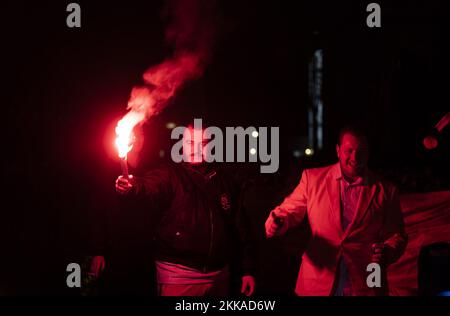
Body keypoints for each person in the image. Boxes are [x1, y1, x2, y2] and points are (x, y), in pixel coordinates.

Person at [109, 124, 256, 296]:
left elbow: (240, 227)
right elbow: (148, 185)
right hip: (178, 276)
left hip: (220, 275)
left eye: (204, 143)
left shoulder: (225, 181)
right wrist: (131, 186)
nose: (197, 148)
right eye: (191, 142)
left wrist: (248, 270)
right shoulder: (169, 174)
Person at [265, 126, 407, 296]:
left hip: (369, 282)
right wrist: (276, 222)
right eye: (349, 150)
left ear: (368, 153)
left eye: (361, 151)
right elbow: (288, 211)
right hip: (317, 282)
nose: (355, 157)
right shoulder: (312, 179)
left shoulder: (387, 190)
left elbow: (397, 235)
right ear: (338, 150)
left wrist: (388, 252)